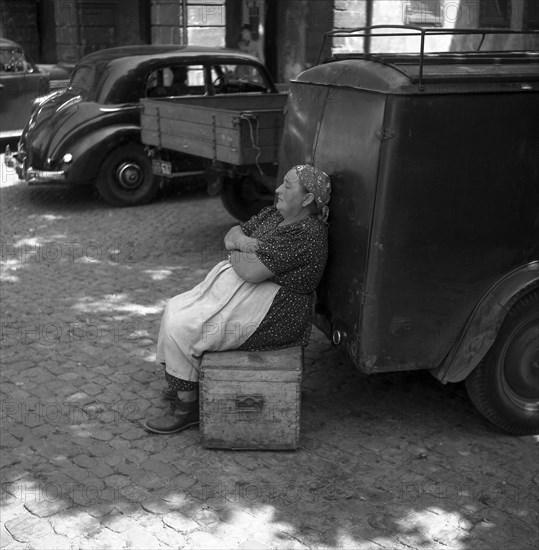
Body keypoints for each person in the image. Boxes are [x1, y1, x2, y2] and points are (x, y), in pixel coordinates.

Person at [144, 164, 331, 434]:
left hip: (275, 313)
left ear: (307, 199)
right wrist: (244, 245)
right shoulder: (274, 214)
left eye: (288, 186)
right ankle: (185, 382)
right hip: (244, 295)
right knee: (175, 307)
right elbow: (231, 234)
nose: (278, 190)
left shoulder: (307, 234)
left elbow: (252, 271)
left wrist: (237, 250)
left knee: (183, 327)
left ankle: (187, 410)